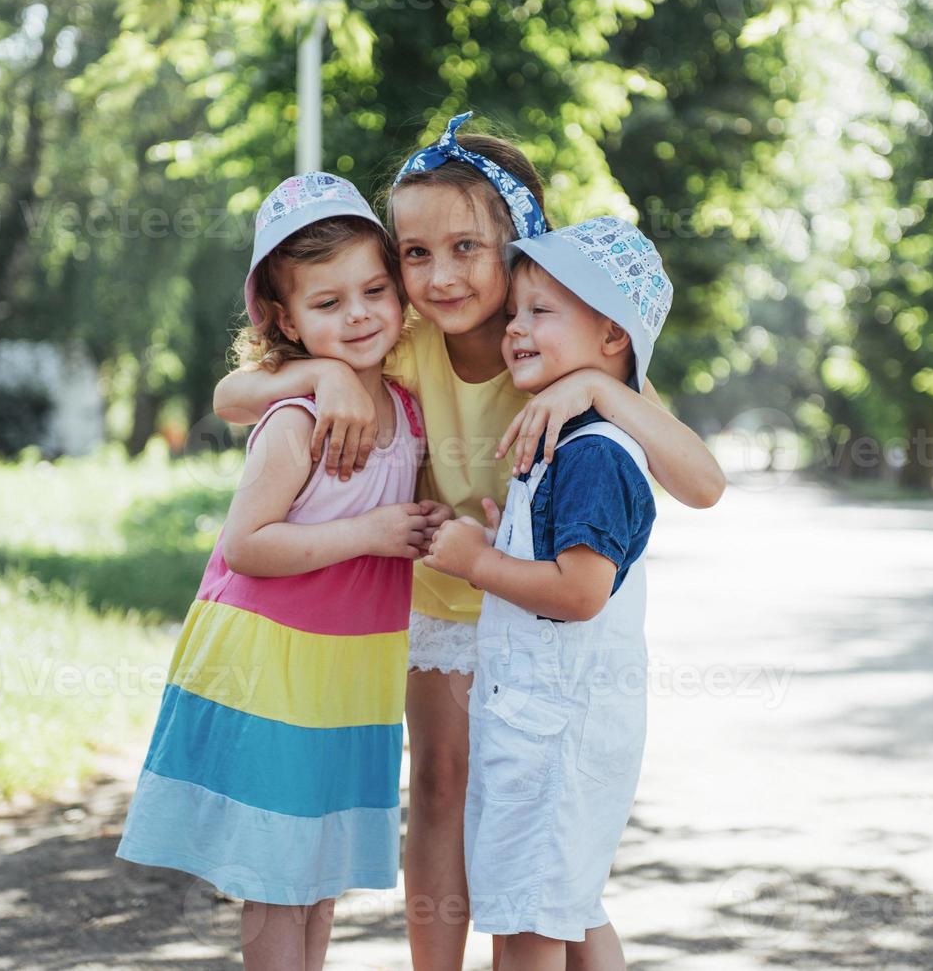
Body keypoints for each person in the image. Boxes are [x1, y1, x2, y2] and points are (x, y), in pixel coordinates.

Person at [211, 112, 725, 970]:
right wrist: (324, 370)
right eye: (415, 254)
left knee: (536, 826)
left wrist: (600, 384)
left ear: (519, 246)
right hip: (446, 602)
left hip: (539, 619)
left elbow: (703, 482)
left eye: (464, 249)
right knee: (444, 786)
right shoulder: (408, 343)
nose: (439, 277)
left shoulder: (564, 348)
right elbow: (235, 395)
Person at [115, 172, 446, 971]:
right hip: (272, 664)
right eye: (327, 304)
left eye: (374, 289)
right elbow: (246, 545)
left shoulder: (407, 408)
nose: (359, 313)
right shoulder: (295, 419)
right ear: (285, 319)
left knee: (318, 869)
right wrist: (370, 530)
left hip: (347, 668)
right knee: (276, 877)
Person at [425, 215, 674, 971]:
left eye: (541, 312)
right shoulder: (569, 441)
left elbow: (579, 592)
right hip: (541, 728)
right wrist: (508, 539)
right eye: (515, 313)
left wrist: (477, 562)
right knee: (565, 909)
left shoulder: (596, 451)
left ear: (611, 339)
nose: (515, 331)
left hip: (555, 736)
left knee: (529, 928)